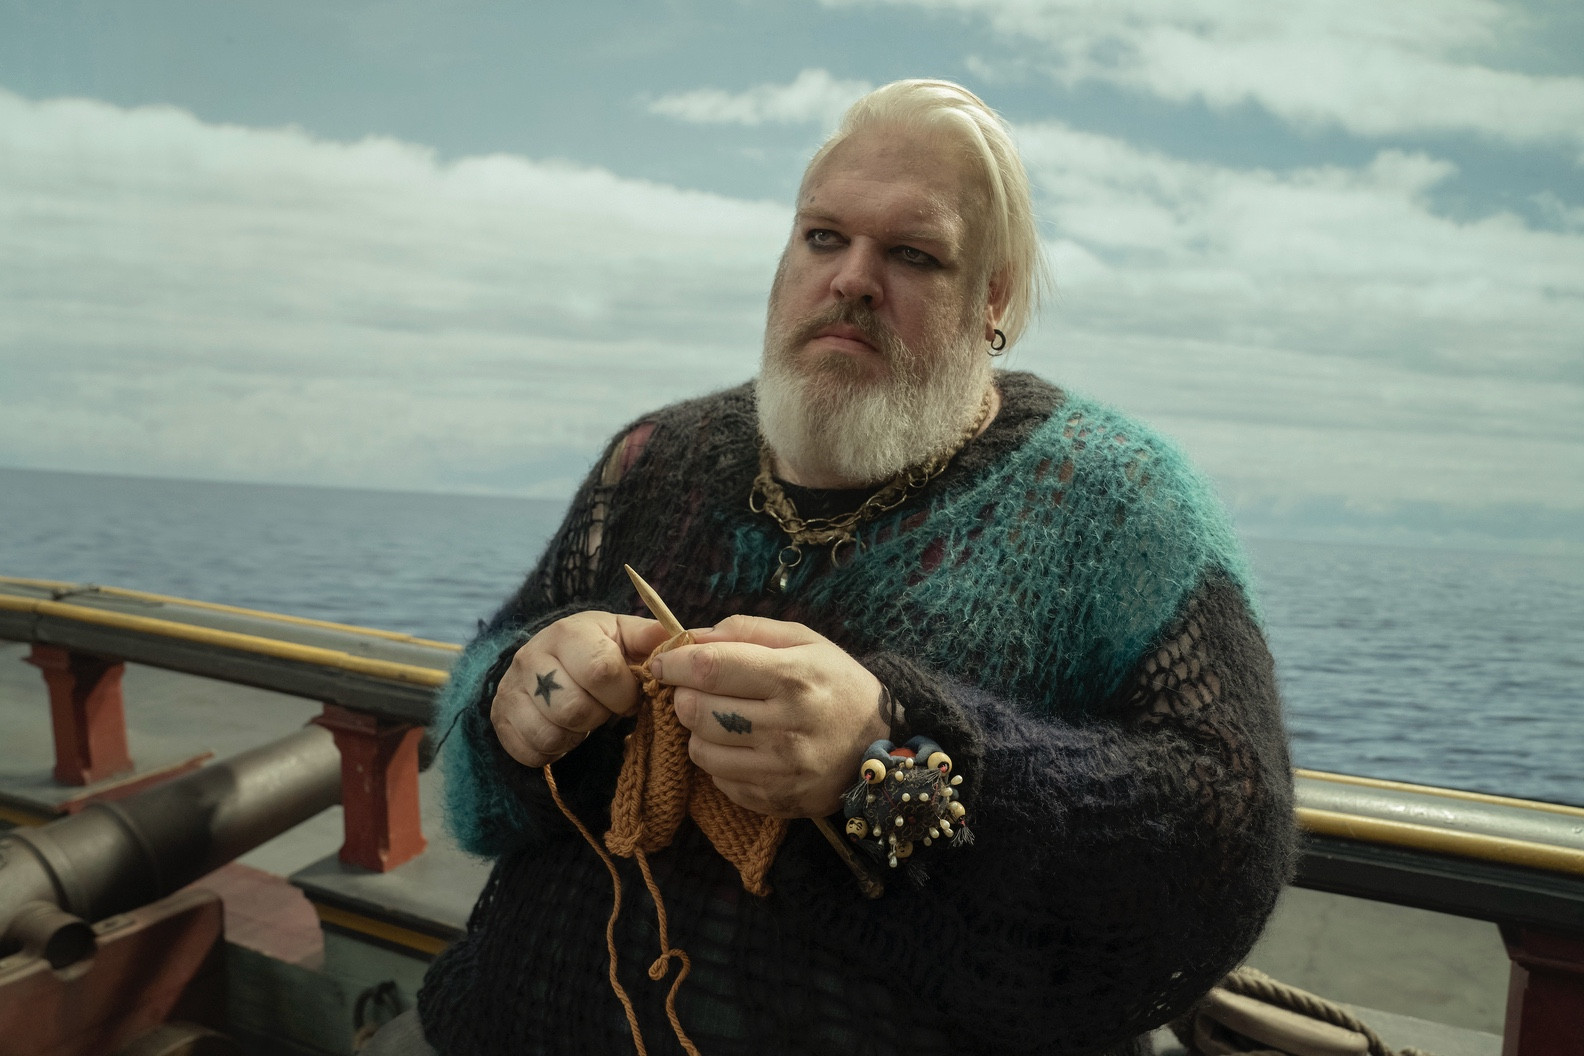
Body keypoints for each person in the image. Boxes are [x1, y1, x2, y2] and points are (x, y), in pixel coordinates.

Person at [406, 79, 1295, 1056]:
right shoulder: (652, 459)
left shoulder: (1118, 507)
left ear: (992, 298)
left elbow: (1228, 839)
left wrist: (884, 759)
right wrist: (517, 695)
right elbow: (473, 741)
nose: (853, 278)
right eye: (824, 237)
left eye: (912, 254)